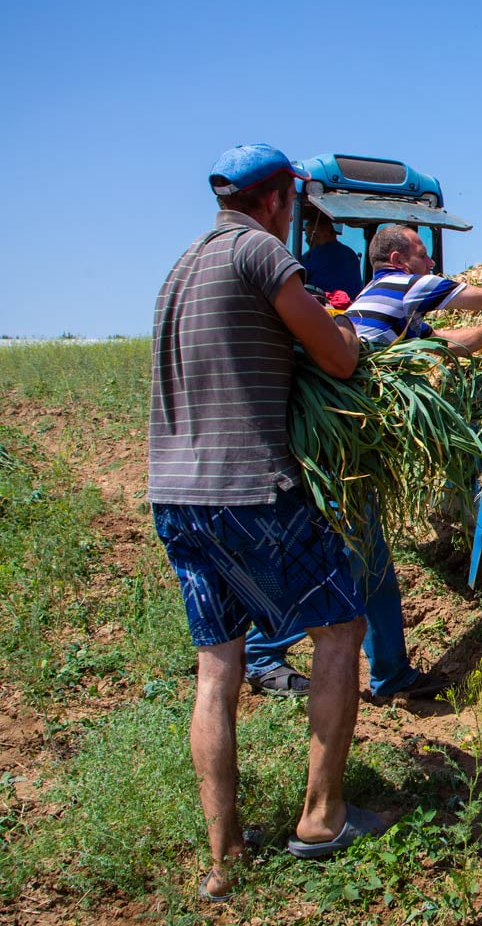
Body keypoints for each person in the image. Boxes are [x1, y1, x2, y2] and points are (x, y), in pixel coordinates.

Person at [150, 144, 387, 900]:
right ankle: (321, 816)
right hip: (250, 490)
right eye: (293, 198)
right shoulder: (259, 252)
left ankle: (225, 857)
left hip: (175, 496)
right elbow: (337, 357)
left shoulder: (183, 265)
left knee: (217, 666)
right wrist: (344, 335)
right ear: (279, 197)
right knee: (342, 629)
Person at [243, 222, 482, 700]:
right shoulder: (400, 286)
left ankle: (391, 675)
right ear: (398, 260)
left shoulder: (381, 306)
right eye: (423, 254)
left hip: (353, 450)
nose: (432, 264)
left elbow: (443, 341)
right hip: (338, 454)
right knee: (345, 562)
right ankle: (260, 651)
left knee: (371, 564)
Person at [300, 209, 364, 298]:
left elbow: (296, 277)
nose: (307, 240)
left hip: (322, 305)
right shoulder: (350, 253)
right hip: (351, 305)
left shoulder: (315, 255)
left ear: (328, 234)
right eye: (307, 236)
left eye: (312, 236)